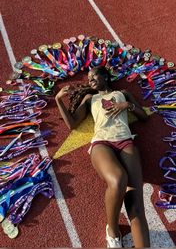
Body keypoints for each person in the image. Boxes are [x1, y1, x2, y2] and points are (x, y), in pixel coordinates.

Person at [55, 66, 150, 248]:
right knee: (118, 179)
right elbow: (72, 123)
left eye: (94, 75)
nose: (90, 79)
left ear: (105, 76)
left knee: (136, 206)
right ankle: (113, 231)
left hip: (125, 141)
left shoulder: (123, 93)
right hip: (102, 143)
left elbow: (143, 116)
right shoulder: (91, 98)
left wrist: (127, 105)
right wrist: (58, 100)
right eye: (89, 77)